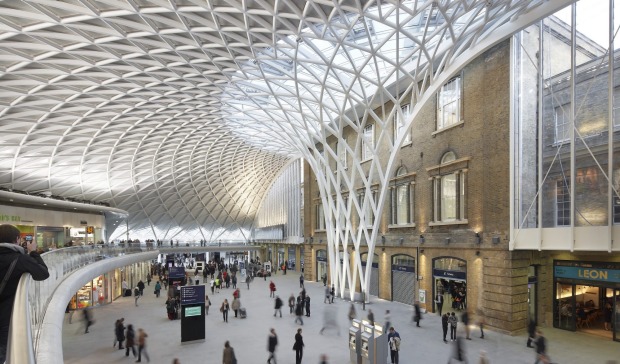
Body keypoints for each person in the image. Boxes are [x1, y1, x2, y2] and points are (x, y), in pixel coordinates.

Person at [0, 224, 50, 363]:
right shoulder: (20, 259)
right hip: (5, 318)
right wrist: (33, 252)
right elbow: (43, 274)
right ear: (17, 239)